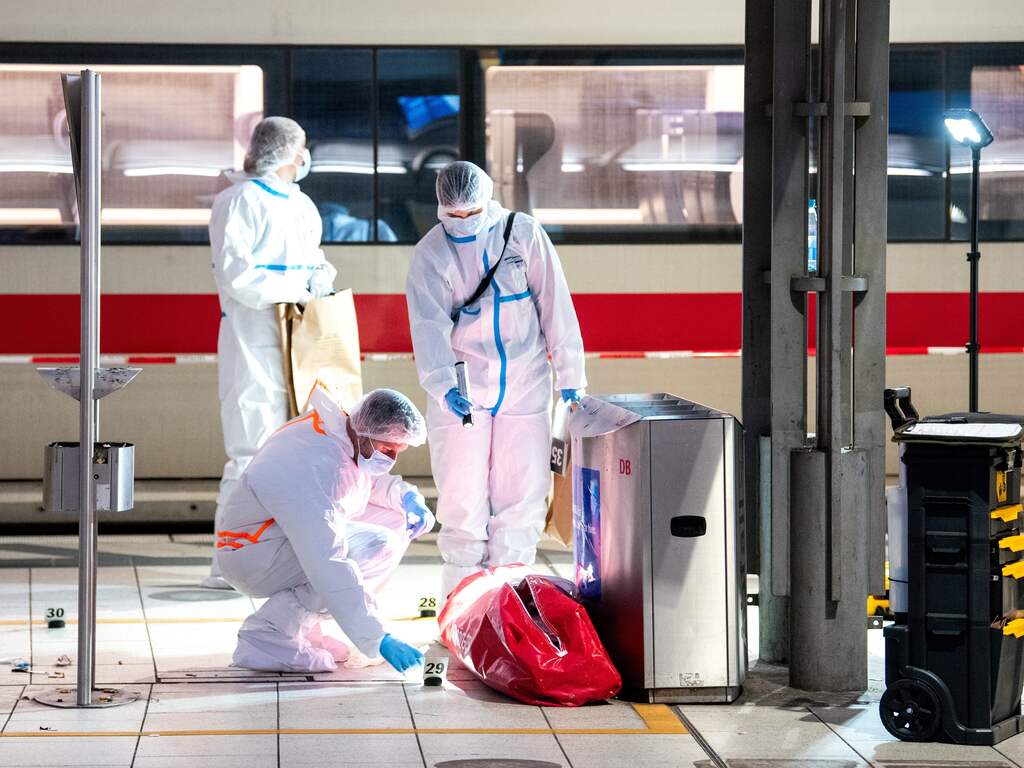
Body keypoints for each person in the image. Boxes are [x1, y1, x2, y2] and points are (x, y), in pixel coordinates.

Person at [405, 161, 586, 599]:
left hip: (524, 386)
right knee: (461, 502)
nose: (463, 222)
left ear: (487, 201)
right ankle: (462, 609)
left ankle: (511, 605)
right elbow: (427, 327)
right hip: (462, 392)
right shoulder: (431, 254)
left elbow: (555, 306)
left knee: (522, 497)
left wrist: (571, 376)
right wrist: (443, 384)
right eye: (454, 215)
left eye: (471, 212)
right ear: (440, 208)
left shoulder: (521, 234)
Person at [216, 383, 434, 673]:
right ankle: (268, 634)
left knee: (397, 518)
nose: (391, 459)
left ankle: (306, 628)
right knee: (374, 545)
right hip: (250, 553)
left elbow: (365, 481)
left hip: (272, 538)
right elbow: (327, 559)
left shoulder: (343, 433)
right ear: (366, 434)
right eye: (387, 449)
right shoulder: (316, 463)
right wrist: (377, 637)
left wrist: (407, 497)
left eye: (398, 451)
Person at [204, 116, 336, 589]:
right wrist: (295, 286)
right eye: (301, 149)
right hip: (252, 347)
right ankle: (227, 563)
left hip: (296, 345)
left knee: (296, 453)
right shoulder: (237, 202)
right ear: (284, 152)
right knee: (250, 453)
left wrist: (318, 279)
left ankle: (275, 558)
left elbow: (315, 261)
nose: (305, 158)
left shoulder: (301, 205)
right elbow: (237, 278)